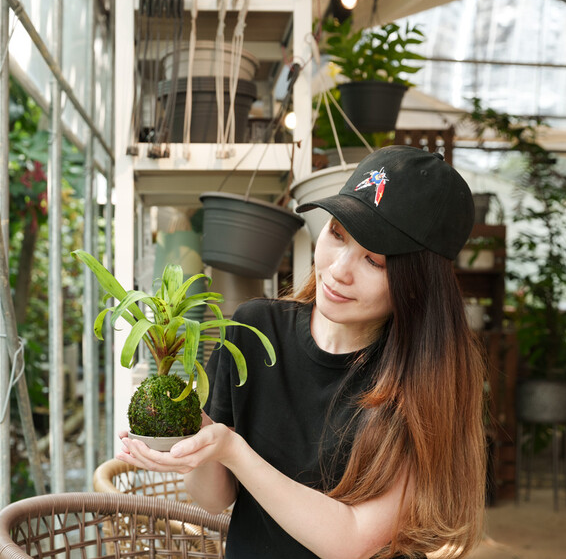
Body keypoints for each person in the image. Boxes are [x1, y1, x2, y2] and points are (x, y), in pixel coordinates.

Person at [118, 145, 487, 559]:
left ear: (420, 285)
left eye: (374, 261)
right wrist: (197, 442)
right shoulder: (254, 331)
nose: (337, 269)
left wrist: (234, 450)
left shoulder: (423, 381)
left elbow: (351, 540)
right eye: (336, 234)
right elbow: (212, 499)